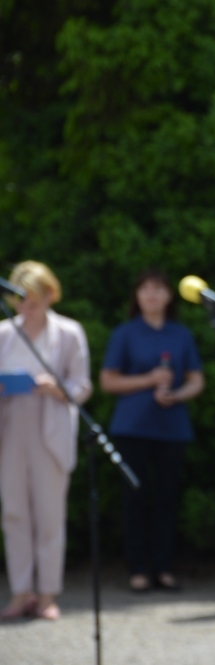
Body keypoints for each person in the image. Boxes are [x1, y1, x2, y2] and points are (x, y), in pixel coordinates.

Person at [100, 269, 205, 593]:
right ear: (137, 296)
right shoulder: (125, 333)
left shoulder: (180, 334)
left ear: (169, 296)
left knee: (166, 500)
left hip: (172, 428)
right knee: (134, 499)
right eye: (145, 289)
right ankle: (137, 569)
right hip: (132, 428)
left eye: (158, 289)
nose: (152, 295)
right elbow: (108, 381)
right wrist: (149, 380)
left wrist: (178, 395)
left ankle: (164, 568)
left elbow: (196, 380)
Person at [0, 261, 92, 621]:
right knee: (14, 513)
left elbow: (82, 385)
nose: (26, 308)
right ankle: (21, 592)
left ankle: (48, 594)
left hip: (50, 427)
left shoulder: (68, 332)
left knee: (50, 515)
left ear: (50, 294)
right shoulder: (4, 333)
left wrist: (57, 388)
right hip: (10, 426)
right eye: (20, 300)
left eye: (33, 301)